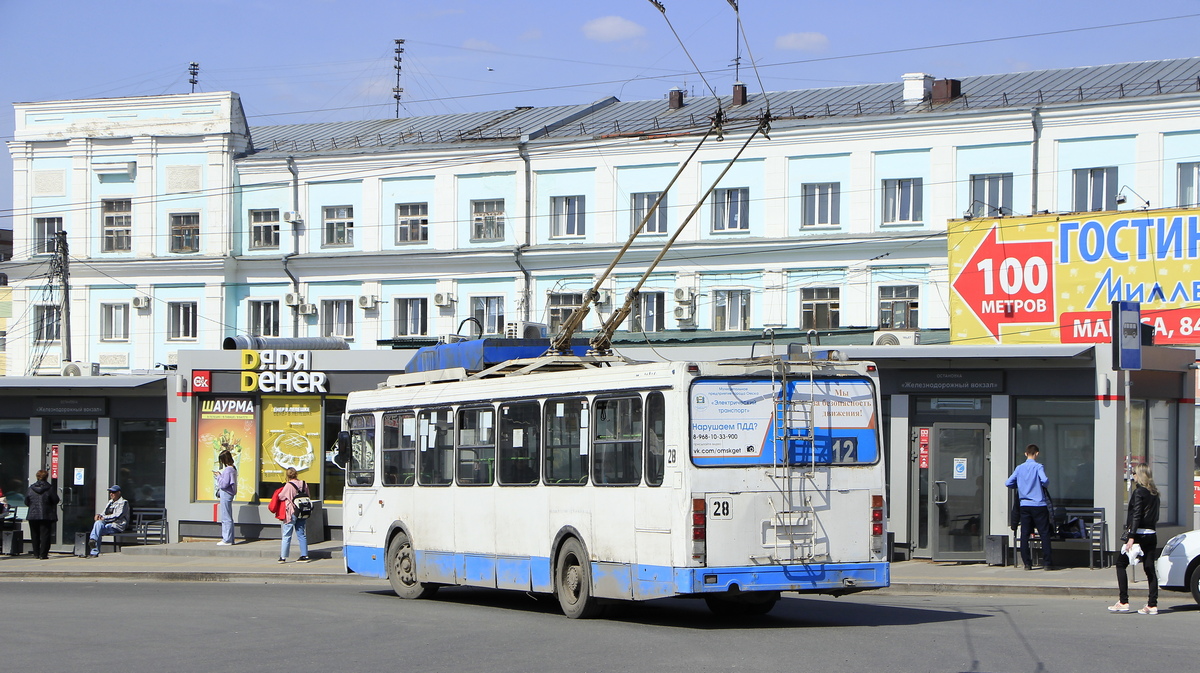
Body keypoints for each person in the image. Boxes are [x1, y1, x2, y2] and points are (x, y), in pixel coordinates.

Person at [1110, 464, 1161, 615]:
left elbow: (1136, 514)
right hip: (1151, 534)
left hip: (1138, 534)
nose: (1132, 476)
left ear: (1140, 475)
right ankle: (1152, 604)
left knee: (1120, 564)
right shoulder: (1155, 493)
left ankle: (1123, 601)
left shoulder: (1139, 492)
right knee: (1149, 568)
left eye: (1134, 473)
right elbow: (1155, 516)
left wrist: (1131, 537)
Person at [1005, 443, 1057, 570]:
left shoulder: (1019, 468)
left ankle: (1027, 563)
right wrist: (1041, 485)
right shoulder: (1038, 467)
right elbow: (1045, 481)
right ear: (1037, 453)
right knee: (1044, 534)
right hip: (1039, 505)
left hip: (1024, 506)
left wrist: (1020, 486)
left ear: (1025, 453)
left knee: (1025, 534)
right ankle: (1047, 563)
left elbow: (1008, 482)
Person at [277, 467, 311, 563]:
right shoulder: (304, 483)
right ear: (296, 474)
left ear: (287, 475)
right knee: (301, 533)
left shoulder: (288, 485)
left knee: (287, 534)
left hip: (291, 511)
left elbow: (281, 496)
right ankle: (304, 555)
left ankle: (283, 557)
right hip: (302, 511)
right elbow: (308, 495)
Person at [25, 470, 60, 559]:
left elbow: (26, 501)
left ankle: (36, 553)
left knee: (34, 534)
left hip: (33, 514)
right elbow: (55, 500)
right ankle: (43, 554)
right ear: (46, 477)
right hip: (46, 514)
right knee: (45, 535)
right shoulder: (49, 488)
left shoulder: (31, 488)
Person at [87, 485, 128, 557]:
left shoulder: (124, 503)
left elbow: (117, 516)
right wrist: (99, 515)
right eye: (110, 492)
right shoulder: (110, 502)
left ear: (119, 493)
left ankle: (94, 549)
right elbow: (104, 513)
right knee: (98, 523)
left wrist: (104, 518)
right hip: (106, 524)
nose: (111, 494)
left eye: (113, 492)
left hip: (117, 525)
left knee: (98, 530)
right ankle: (93, 540)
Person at [213, 450, 237, 545]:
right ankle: (230, 539)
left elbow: (224, 484)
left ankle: (226, 539)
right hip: (230, 494)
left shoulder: (228, 470)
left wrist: (218, 476)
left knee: (225, 516)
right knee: (228, 516)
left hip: (226, 493)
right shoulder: (233, 468)